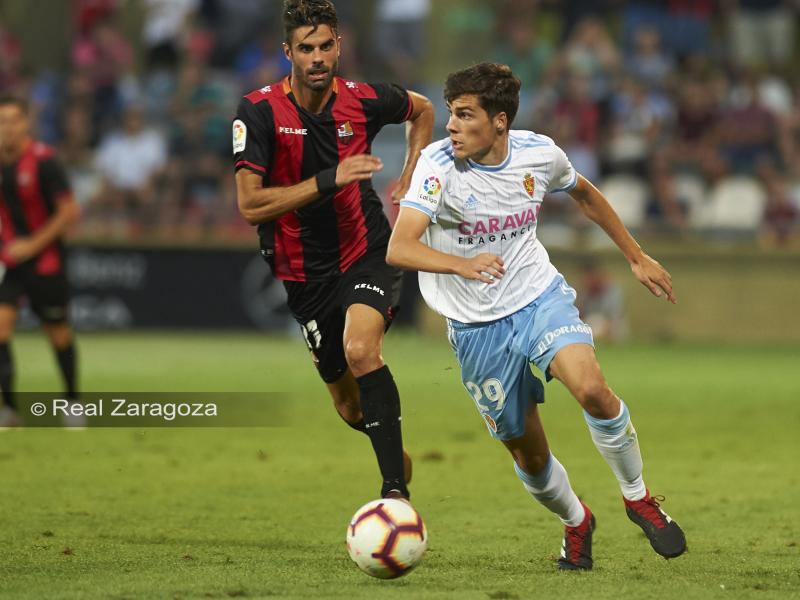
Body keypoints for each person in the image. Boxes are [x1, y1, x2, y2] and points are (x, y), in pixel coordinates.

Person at [387, 63, 686, 570]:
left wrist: (636, 255)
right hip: (475, 326)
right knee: (528, 455)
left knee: (592, 389)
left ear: (499, 121)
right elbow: (400, 246)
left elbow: (586, 195)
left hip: (536, 296)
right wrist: (464, 264)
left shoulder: (539, 155)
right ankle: (576, 520)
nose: (451, 126)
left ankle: (637, 497)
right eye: (451, 114)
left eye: (464, 115)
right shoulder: (435, 167)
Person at [233, 0, 434, 500]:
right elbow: (251, 206)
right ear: (288, 53)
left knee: (362, 350)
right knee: (349, 407)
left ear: (339, 45)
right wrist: (328, 179)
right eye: (306, 49)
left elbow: (424, 109)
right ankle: (393, 451)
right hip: (302, 272)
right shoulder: (258, 111)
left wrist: (412, 173)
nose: (318, 57)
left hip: (366, 248)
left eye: (326, 46)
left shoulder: (363, 98)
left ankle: (394, 496)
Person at [0, 96, 81, 427]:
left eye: (13, 120)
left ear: (26, 124)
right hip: (11, 263)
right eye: (1, 122)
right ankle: (8, 409)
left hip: (46, 261)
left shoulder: (45, 162)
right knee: (1, 329)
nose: (7, 128)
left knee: (58, 334)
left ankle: (73, 402)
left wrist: (31, 244)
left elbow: (69, 212)